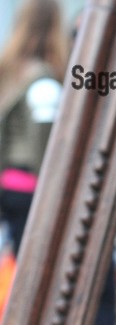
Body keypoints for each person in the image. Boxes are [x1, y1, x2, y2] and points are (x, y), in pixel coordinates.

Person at [0, 0, 67, 255]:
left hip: (11, 187)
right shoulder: (43, 81)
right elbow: (43, 145)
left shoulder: (11, 71)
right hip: (32, 191)